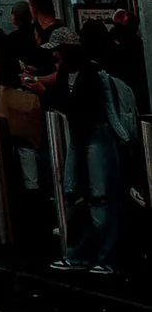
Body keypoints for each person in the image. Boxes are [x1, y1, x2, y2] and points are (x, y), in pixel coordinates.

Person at [54, 23, 138, 279]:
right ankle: (85, 253)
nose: (54, 56)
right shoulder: (73, 72)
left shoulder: (92, 73)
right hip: (84, 135)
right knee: (81, 194)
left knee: (100, 197)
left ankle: (102, 256)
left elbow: (92, 108)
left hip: (93, 134)